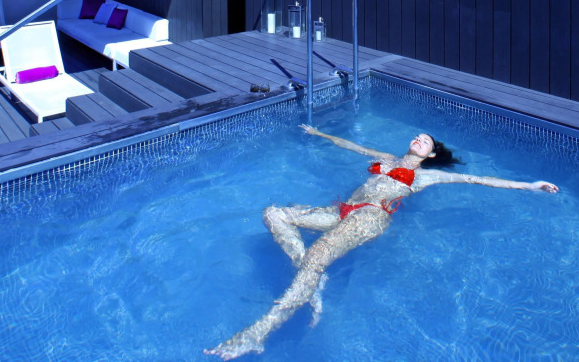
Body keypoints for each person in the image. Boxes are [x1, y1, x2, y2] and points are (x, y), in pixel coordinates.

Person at [205, 125, 560, 359]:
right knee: (274, 213)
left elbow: (476, 179)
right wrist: (319, 133)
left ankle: (260, 330)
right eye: (417, 136)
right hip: (343, 210)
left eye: (426, 141)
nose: (419, 139)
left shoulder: (425, 176)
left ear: (430, 154)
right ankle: (311, 282)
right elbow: (351, 145)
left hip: (371, 217)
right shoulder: (385, 159)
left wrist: (529, 186)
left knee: (318, 255)